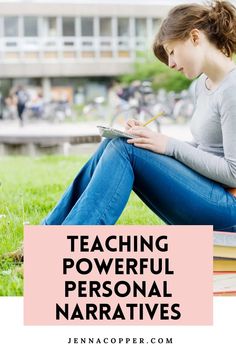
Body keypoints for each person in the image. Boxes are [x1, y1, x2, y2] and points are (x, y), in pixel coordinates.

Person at [41, 0, 236, 231]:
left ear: (195, 38)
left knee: (126, 149)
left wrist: (169, 146)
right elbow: (205, 148)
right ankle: (46, 233)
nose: (171, 63)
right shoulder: (203, 86)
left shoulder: (232, 90)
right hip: (206, 192)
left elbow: (233, 173)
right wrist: (150, 141)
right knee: (118, 142)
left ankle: (66, 244)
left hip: (228, 210)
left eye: (172, 52)